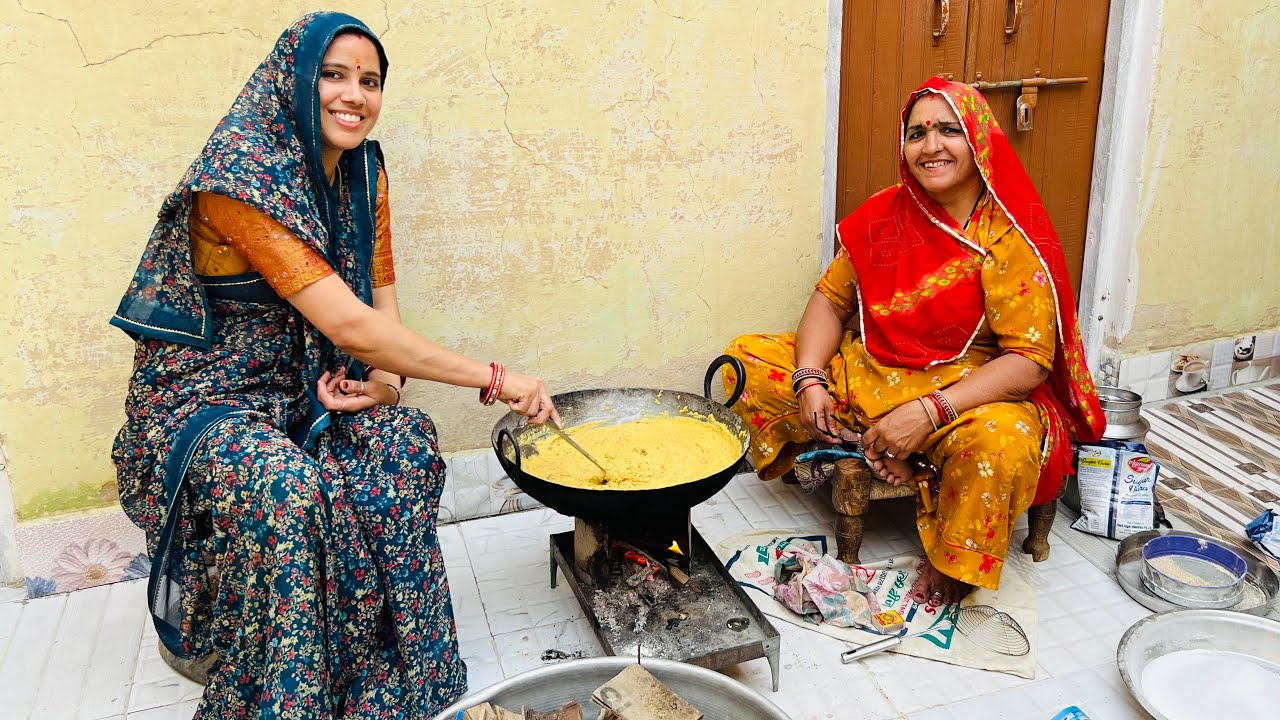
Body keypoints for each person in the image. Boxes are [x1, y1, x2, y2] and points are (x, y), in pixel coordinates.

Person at [110, 12, 557, 718]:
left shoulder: (364, 171)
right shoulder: (239, 175)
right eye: (334, 74)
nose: (355, 95)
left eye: (371, 81)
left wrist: (386, 382)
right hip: (203, 399)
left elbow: (379, 310)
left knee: (402, 445)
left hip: (304, 383)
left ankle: (406, 680)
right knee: (287, 486)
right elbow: (347, 323)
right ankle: (291, 697)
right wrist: (500, 380)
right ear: (294, 78)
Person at [723, 76, 1104, 606]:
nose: (931, 145)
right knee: (746, 360)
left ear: (978, 141)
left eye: (949, 130)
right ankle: (874, 446)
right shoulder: (885, 214)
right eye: (917, 132)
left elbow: (1029, 360)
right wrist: (810, 379)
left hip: (963, 394)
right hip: (870, 373)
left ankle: (950, 549)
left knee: (1001, 444)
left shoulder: (1007, 236)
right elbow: (831, 301)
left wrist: (928, 413)